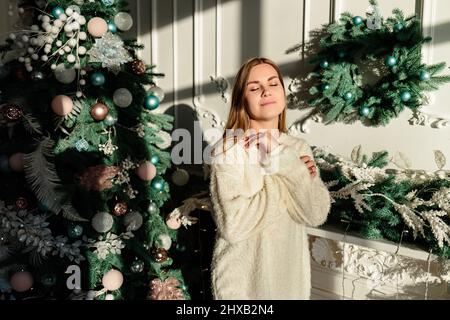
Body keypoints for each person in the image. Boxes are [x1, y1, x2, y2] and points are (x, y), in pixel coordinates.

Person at [208, 57, 331, 300]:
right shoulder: (229, 150)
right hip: (241, 288)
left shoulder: (297, 148)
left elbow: (315, 213)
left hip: (290, 284)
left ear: (283, 94)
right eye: (254, 87)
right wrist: (288, 172)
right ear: (242, 100)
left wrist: (281, 158)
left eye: (273, 83)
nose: (266, 91)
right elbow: (234, 225)